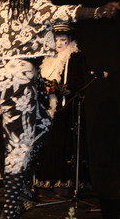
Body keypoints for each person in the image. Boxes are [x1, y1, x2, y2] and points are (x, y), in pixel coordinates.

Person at [0, 0, 119, 219]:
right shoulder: (36, 4)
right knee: (21, 143)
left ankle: (23, 191)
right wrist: (99, 12)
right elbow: (66, 12)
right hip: (15, 73)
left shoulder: (7, 7)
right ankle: (10, 213)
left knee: (41, 125)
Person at [37, 23, 88, 193]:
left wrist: (58, 88)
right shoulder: (48, 59)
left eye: (63, 40)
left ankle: (64, 183)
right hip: (47, 108)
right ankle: (46, 181)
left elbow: (79, 83)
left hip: (66, 109)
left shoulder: (75, 56)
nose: (59, 44)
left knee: (62, 143)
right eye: (56, 40)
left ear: (69, 40)